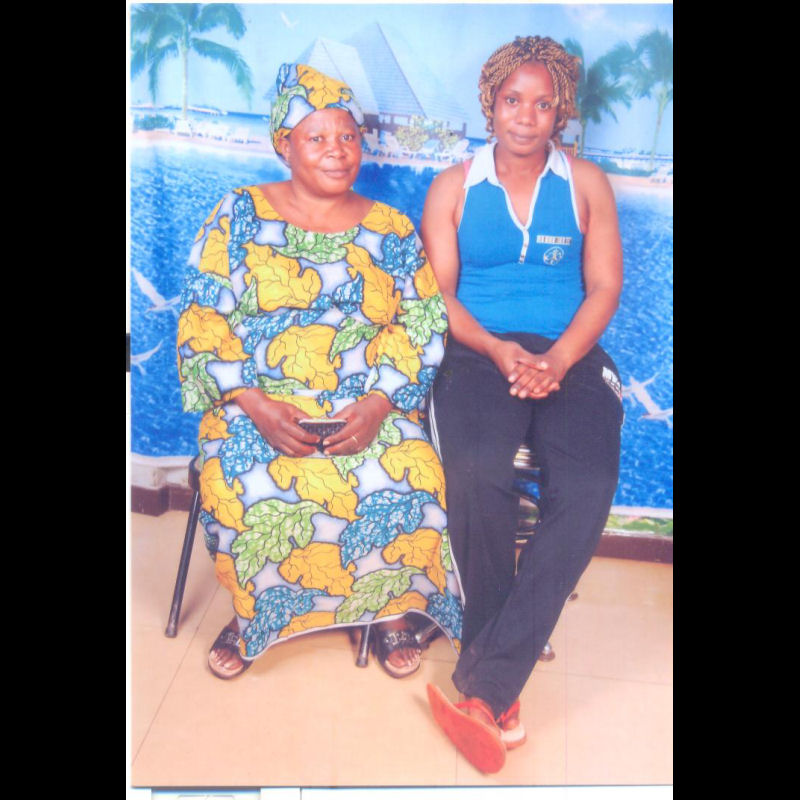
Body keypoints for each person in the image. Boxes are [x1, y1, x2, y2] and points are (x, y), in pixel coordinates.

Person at [176, 63, 463, 682]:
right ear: (284, 144)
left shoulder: (392, 229)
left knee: (410, 479)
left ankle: (389, 608)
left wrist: (381, 404)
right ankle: (254, 616)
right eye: (317, 137)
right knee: (243, 485)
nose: (337, 150)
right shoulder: (237, 214)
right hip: (255, 401)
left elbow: (421, 323)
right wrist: (254, 404)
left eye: (348, 137)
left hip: (368, 401)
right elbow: (203, 316)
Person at [420, 36, 624, 773]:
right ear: (491, 103)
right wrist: (498, 348)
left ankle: (487, 686)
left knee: (589, 486)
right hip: (479, 351)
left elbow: (604, 287)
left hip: (571, 352)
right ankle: (499, 689)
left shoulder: (587, 183)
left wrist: (559, 359)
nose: (526, 117)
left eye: (543, 104)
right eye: (513, 100)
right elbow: (440, 296)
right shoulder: (451, 188)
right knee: (477, 470)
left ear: (560, 110)